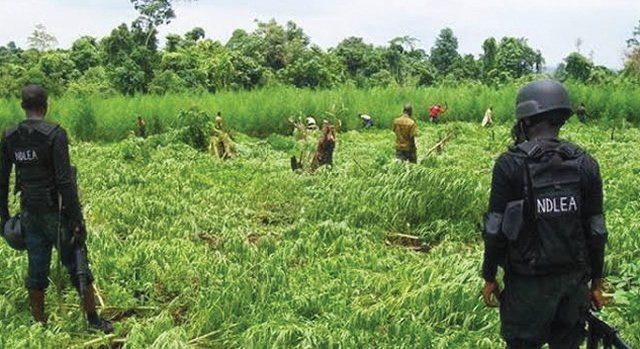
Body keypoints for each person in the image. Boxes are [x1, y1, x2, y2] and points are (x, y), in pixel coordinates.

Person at [481, 80, 607, 348]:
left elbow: (494, 228)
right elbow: (597, 230)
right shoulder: (586, 163)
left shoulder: (509, 164)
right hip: (573, 284)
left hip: (528, 286)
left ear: (525, 120)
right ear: (561, 118)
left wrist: (490, 276)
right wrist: (597, 282)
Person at [0, 85, 113, 333]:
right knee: (77, 264)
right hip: (56, 213)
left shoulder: (10, 137)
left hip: (29, 213)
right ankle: (93, 321)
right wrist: (77, 219)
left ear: (23, 106)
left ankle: (40, 326)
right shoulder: (55, 134)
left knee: (36, 270)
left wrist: (4, 219)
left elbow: (2, 180)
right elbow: (64, 181)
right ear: (45, 105)